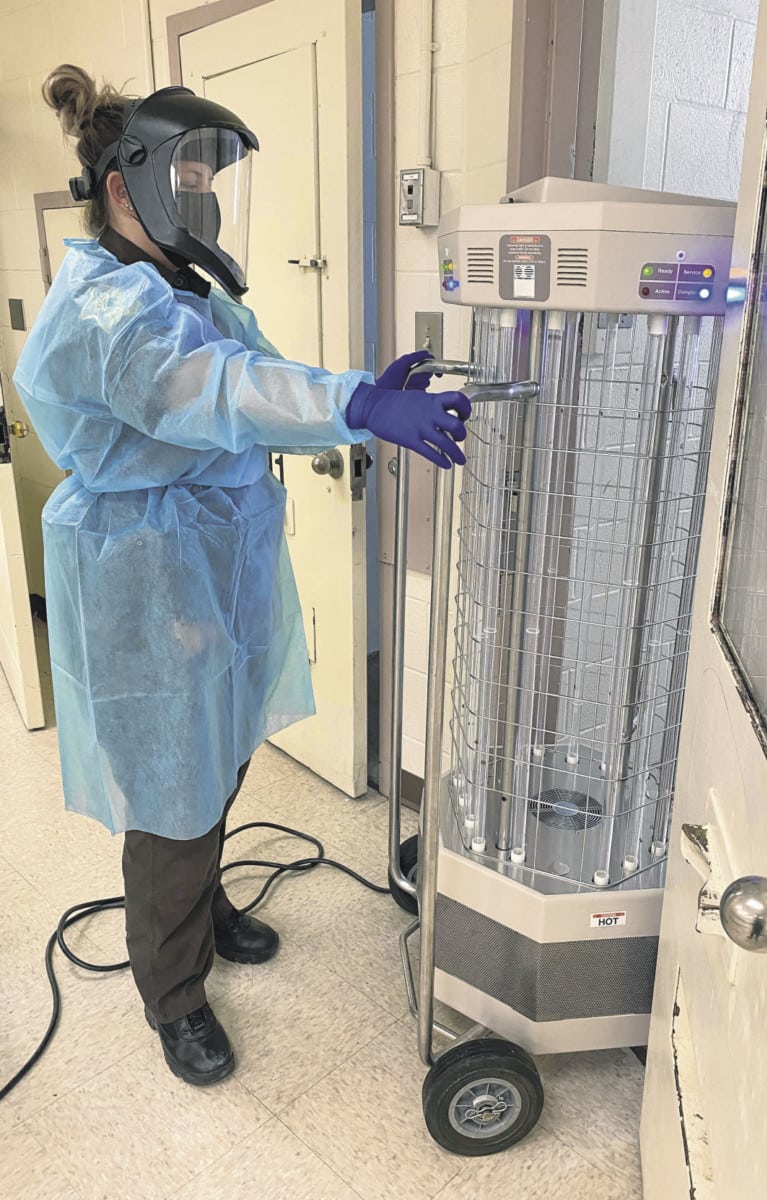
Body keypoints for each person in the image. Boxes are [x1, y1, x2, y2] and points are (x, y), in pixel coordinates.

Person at [13, 65, 471, 1088]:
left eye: (211, 180)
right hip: (147, 575)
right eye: (189, 177)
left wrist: (354, 393)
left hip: (208, 563)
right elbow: (215, 390)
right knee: (170, 794)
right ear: (125, 186)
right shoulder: (109, 309)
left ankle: (205, 908)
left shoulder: (183, 288)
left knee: (215, 756)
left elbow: (259, 381)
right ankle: (172, 995)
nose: (207, 198)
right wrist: (357, 408)